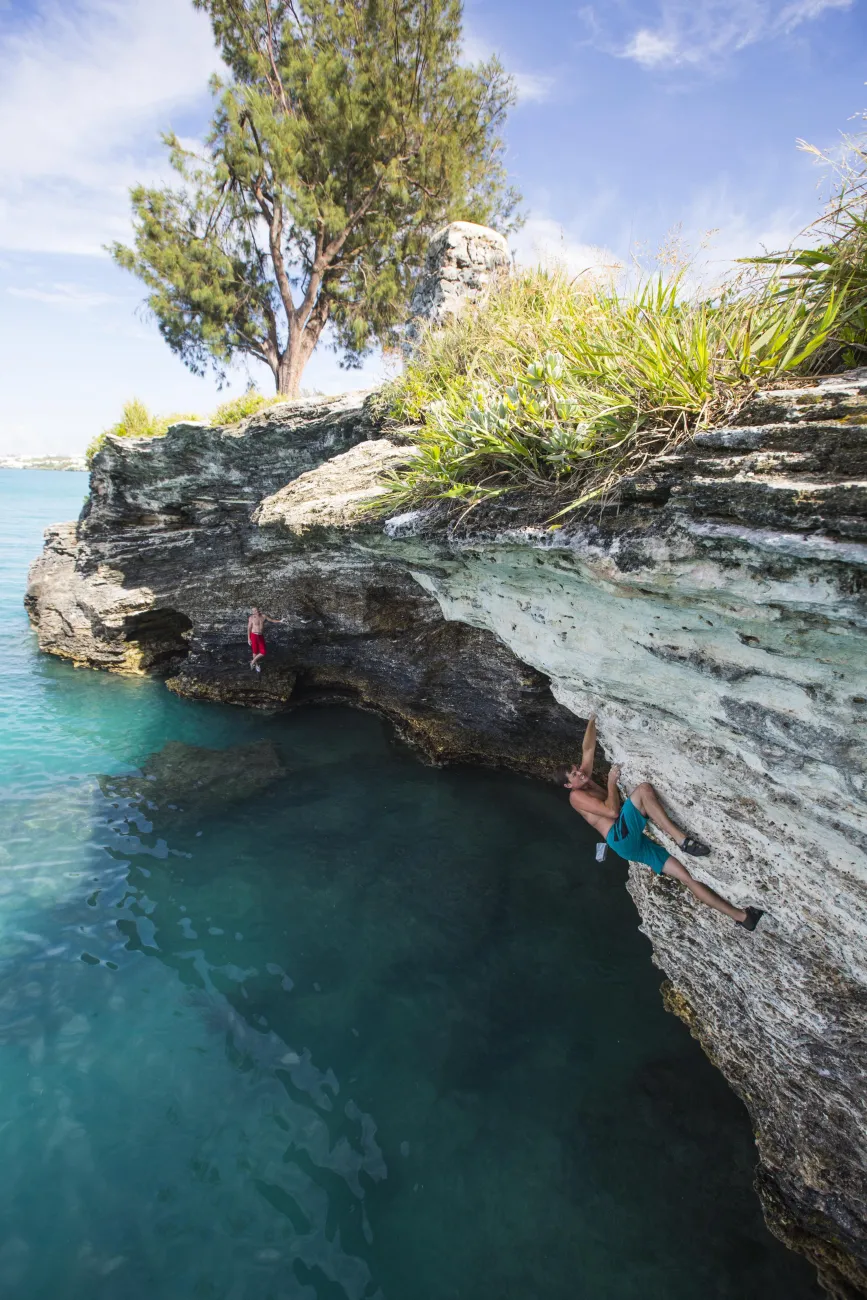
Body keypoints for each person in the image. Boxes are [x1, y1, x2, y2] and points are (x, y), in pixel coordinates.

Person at [560, 718, 764, 931]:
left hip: (627, 843)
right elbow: (613, 811)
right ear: (568, 785)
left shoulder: (584, 780)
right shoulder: (576, 797)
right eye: (574, 775)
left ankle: (743, 917)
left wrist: (592, 718)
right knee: (644, 791)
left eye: (577, 769)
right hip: (619, 836)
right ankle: (681, 840)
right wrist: (611, 781)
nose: (580, 772)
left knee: (687, 877)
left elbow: (588, 747)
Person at [247, 607, 285, 672]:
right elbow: (249, 628)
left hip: (260, 635)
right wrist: (248, 639)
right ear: (253, 612)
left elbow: (271, 620)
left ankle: (252, 661)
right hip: (254, 635)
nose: (257, 611)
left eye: (257, 609)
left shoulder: (263, 616)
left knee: (263, 652)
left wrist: (280, 621)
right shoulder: (251, 618)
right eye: (255, 610)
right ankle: (256, 665)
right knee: (255, 651)